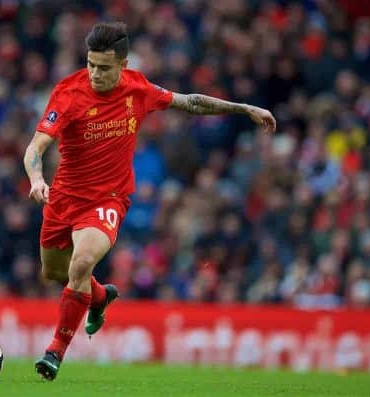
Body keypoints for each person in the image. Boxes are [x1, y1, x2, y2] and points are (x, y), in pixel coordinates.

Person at [23, 21, 276, 381]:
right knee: (54, 273)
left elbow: (190, 103)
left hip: (108, 199)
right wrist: (36, 179)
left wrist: (243, 107)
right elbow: (35, 147)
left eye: (104, 67)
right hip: (63, 198)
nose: (95, 73)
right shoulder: (68, 93)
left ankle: (54, 353)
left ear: (123, 65)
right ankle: (98, 297)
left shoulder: (137, 88)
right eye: (91, 64)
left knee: (80, 265)